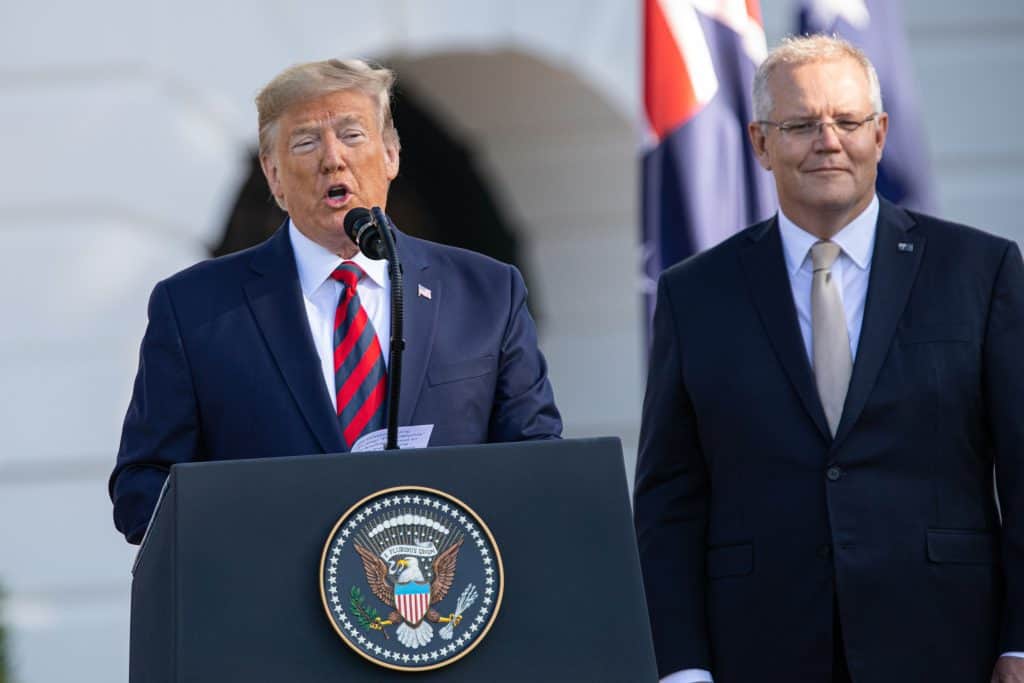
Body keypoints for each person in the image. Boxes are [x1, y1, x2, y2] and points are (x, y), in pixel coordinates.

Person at [634, 35, 1023, 683]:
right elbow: (669, 499)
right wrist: (681, 665)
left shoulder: (979, 272)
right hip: (758, 649)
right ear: (759, 142)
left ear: (881, 133)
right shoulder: (694, 293)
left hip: (947, 642)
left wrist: (1020, 642)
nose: (828, 140)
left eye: (847, 121)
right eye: (800, 124)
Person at [110, 59, 561, 545]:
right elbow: (141, 488)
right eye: (306, 142)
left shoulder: (487, 292)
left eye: (352, 135)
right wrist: (252, 522)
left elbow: (537, 460)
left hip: (440, 601)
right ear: (274, 175)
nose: (333, 159)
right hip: (269, 600)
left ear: (390, 155)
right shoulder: (195, 309)